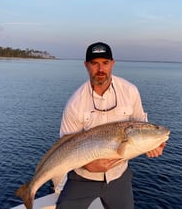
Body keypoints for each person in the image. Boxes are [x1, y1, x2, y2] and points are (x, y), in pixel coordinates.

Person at [56, 42, 166, 209]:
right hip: (83, 178)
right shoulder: (74, 104)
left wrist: (154, 144)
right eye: (95, 63)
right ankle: (30, 191)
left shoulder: (130, 91)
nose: (101, 69)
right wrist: (87, 165)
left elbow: (141, 128)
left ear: (112, 63)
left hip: (119, 177)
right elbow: (66, 147)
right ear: (86, 65)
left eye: (105, 63)